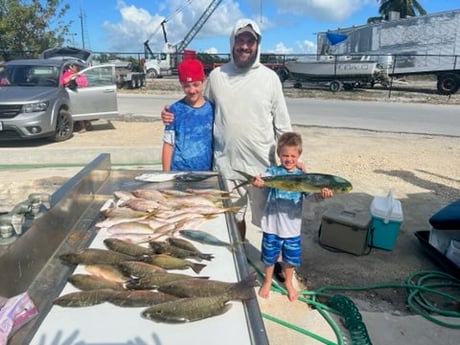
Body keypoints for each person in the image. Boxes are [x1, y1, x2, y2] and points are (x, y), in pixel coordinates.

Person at [162, 18, 292, 241]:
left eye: (250, 41)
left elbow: (282, 125)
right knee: (233, 219)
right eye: (239, 40)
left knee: (270, 221)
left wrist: (292, 160)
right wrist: (170, 113)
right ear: (232, 42)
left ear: (257, 44)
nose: (244, 46)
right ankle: (239, 253)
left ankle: (276, 263)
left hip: (262, 168)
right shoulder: (217, 76)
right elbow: (199, 105)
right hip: (226, 167)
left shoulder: (270, 79)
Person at [252, 132, 333, 301]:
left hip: (292, 228)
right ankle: (267, 281)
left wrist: (321, 194)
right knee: (269, 257)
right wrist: (258, 182)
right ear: (279, 155)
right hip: (272, 226)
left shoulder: (303, 176)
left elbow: (311, 196)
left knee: (290, 259)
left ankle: (288, 282)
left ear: (299, 156)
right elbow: (262, 180)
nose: (289, 159)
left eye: (292, 156)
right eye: (285, 155)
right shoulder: (273, 172)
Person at [162, 58, 214, 171]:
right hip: (178, 171)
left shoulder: (212, 109)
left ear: (203, 80)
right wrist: (166, 173)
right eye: (187, 85)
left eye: (196, 84)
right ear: (181, 84)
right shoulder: (174, 110)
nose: (192, 90)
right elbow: (168, 143)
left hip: (206, 172)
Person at [61, 63, 90, 133]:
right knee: (78, 110)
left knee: (82, 109)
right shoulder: (67, 73)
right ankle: (84, 126)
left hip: (81, 93)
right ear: (71, 67)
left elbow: (86, 83)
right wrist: (73, 76)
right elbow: (64, 81)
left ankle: (87, 125)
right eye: (75, 67)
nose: (77, 68)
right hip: (72, 94)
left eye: (77, 67)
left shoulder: (80, 74)